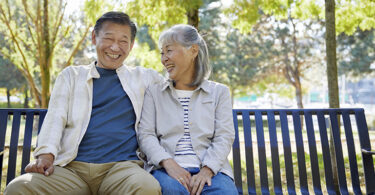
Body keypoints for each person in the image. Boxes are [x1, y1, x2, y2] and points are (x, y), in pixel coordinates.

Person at [4, 11, 163, 195]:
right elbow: (56, 117)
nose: (114, 47)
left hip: (122, 170)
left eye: (123, 41)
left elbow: (179, 89)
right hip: (70, 169)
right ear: (94, 38)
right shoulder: (71, 76)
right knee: (18, 188)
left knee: (146, 187)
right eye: (109, 38)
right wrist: (46, 153)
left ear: (131, 45)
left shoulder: (146, 78)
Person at [138, 24, 238, 195]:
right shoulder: (154, 93)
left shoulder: (219, 92)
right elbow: (146, 135)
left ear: (193, 51)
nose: (164, 59)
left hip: (212, 171)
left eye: (169, 51)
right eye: (162, 53)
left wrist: (207, 170)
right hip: (165, 170)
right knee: (171, 190)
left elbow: (224, 136)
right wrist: (169, 164)